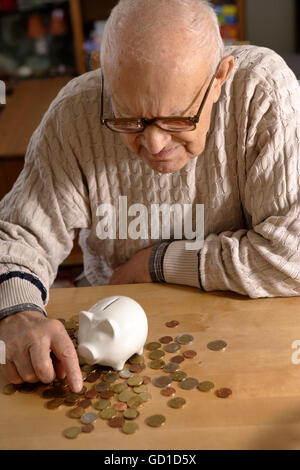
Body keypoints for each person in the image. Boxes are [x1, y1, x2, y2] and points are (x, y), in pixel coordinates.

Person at [0, 0, 299, 392]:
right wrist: (17, 312)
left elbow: (291, 256)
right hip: (107, 334)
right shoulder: (76, 113)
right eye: (129, 118)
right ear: (102, 75)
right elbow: (17, 236)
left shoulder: (262, 92)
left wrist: (158, 263)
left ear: (220, 77)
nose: (154, 144)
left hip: (244, 327)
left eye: (178, 117)